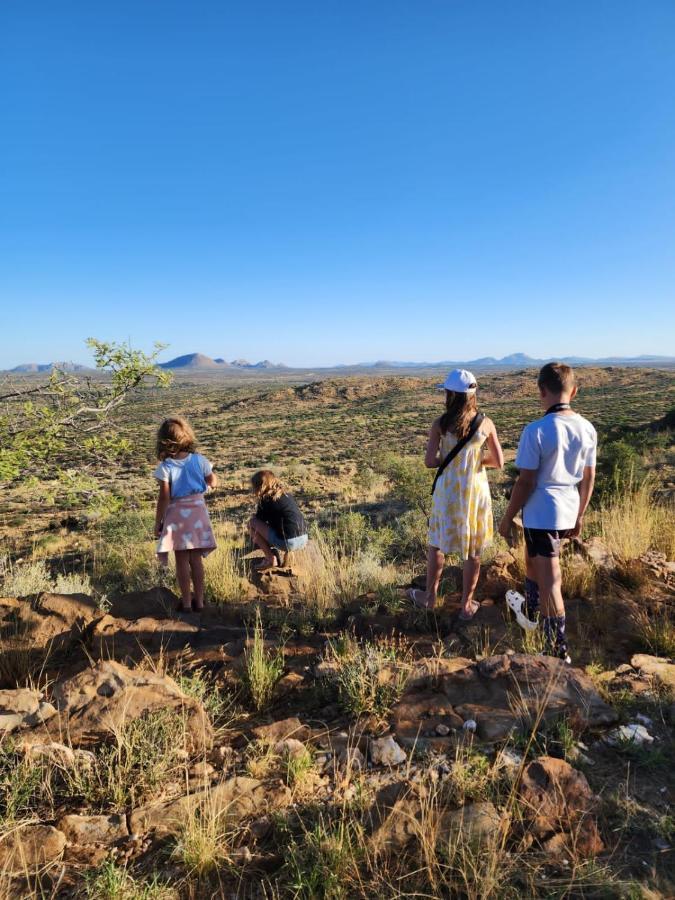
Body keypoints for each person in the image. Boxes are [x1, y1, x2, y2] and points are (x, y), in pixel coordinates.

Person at [499, 362, 597, 663]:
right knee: (534, 561)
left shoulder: (536, 431)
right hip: (567, 509)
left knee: (550, 581)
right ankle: (530, 612)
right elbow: (589, 477)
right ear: (574, 391)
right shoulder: (587, 428)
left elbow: (526, 480)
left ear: (541, 391)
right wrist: (579, 515)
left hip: (543, 513)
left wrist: (506, 518)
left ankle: (557, 651)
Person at [408, 369, 504, 618]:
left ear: (450, 394)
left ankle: (429, 597)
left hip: (448, 491)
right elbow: (499, 462)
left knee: (437, 544)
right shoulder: (486, 423)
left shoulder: (440, 424)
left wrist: (450, 460)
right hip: (474, 491)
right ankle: (466, 605)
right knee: (473, 550)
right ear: (473, 394)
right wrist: (476, 460)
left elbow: (430, 461)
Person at [154, 417, 217, 613]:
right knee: (196, 559)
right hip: (198, 512)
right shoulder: (200, 460)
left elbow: (164, 498)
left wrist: (159, 522)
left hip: (176, 515)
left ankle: (187, 603)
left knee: (181, 560)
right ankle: (200, 602)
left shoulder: (165, 467)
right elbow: (213, 482)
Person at [248, 470, 308, 570]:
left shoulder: (265, 500)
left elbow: (258, 521)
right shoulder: (286, 495)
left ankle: (270, 558)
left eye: (254, 487)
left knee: (251, 524)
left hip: (288, 542)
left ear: (260, 487)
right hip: (303, 539)